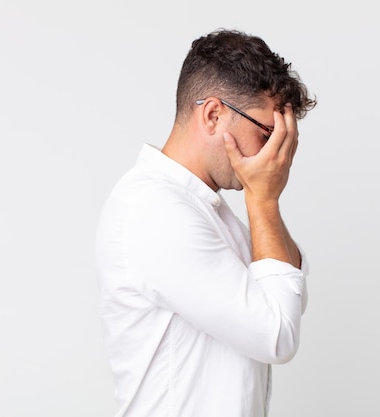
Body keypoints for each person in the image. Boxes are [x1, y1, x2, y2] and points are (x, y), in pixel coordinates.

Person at [95, 28, 317, 417]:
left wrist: (264, 198)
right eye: (267, 132)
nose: (276, 155)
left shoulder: (204, 209)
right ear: (213, 115)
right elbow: (276, 335)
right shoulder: (156, 209)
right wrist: (263, 199)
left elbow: (289, 296)